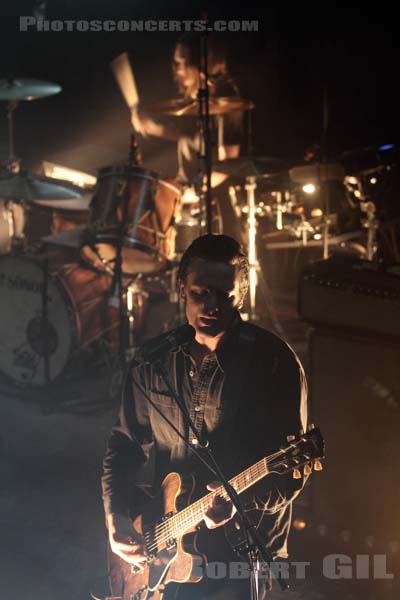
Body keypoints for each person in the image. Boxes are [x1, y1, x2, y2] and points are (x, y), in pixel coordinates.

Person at [102, 234, 309, 599]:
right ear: (181, 288)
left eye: (224, 295)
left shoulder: (274, 363)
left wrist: (239, 503)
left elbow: (291, 474)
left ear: (242, 294)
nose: (211, 305)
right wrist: (116, 517)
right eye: (200, 293)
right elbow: (123, 445)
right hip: (165, 539)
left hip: (240, 552)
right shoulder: (153, 361)